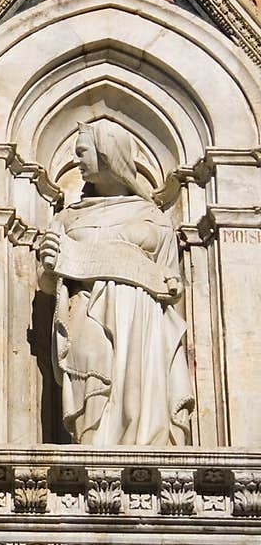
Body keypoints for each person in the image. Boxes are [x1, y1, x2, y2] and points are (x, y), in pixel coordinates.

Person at [38, 118, 194, 446]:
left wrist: (169, 284)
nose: (77, 160)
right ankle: (91, 451)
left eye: (83, 152)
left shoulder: (153, 216)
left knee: (139, 390)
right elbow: (48, 284)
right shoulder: (67, 217)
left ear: (107, 152)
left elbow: (171, 283)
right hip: (84, 312)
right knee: (91, 366)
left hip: (142, 319)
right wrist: (50, 266)